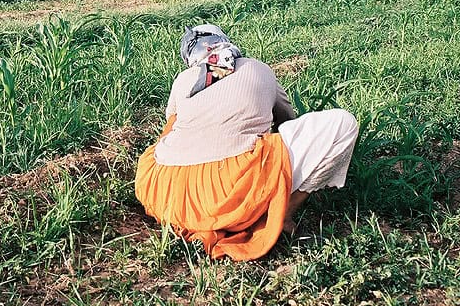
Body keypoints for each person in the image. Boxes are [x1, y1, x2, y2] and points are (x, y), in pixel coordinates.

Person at [135, 25, 358, 261]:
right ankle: (283, 216)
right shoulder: (258, 68)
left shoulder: (183, 79)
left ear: (190, 58)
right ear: (224, 41)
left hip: (169, 194)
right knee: (342, 123)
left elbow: (171, 125)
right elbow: (287, 121)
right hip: (232, 190)